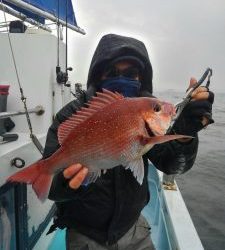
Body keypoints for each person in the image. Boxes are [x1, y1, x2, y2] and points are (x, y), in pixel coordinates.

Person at [44, 34, 214, 250]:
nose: (121, 78)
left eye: (131, 73)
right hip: (84, 234)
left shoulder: (145, 118)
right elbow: (52, 188)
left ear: (141, 78)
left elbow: (172, 164)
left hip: (134, 229)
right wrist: (66, 185)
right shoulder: (71, 116)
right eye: (113, 72)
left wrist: (187, 129)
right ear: (99, 75)